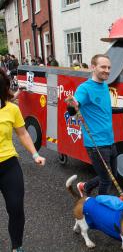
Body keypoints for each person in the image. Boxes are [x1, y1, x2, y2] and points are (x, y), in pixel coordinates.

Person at [0, 68, 46, 252]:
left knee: (16, 208)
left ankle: (17, 247)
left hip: (8, 165)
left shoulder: (12, 109)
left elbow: (23, 133)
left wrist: (35, 154)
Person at [67, 54, 117, 196]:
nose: (107, 70)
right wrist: (73, 105)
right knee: (106, 180)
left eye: (109, 67)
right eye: (103, 67)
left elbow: (105, 110)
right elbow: (73, 109)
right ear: (93, 67)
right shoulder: (85, 88)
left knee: (112, 176)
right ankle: (102, 212)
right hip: (96, 144)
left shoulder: (105, 86)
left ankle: (85, 186)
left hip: (110, 140)